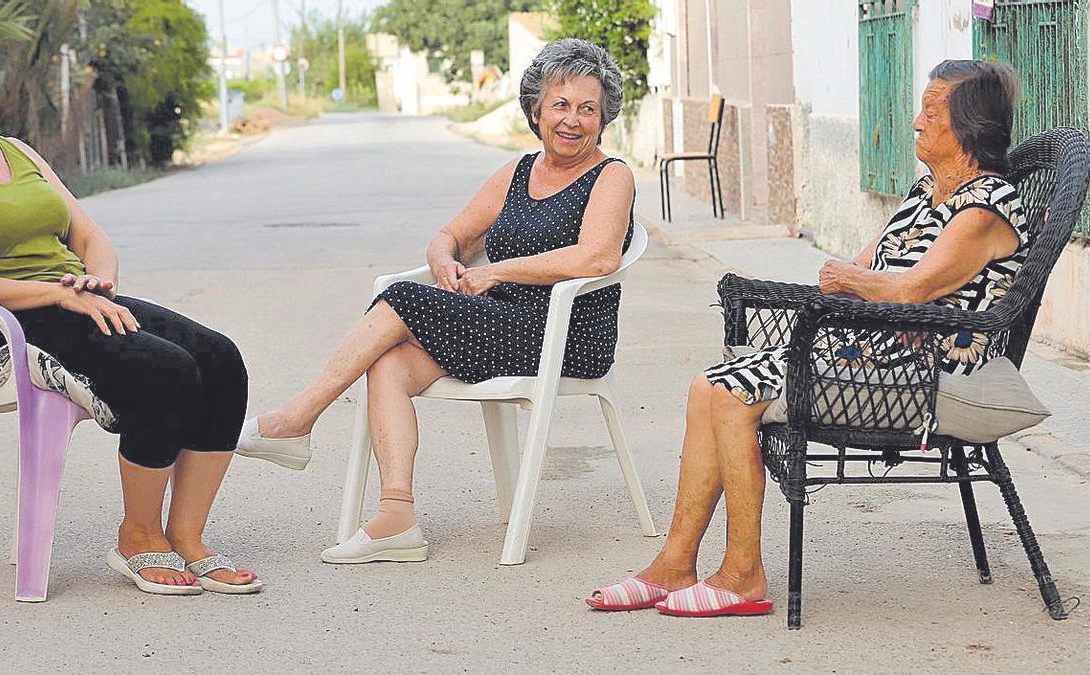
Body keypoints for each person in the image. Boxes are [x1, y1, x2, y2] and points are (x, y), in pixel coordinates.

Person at [587, 60, 1027, 617]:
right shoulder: (925, 195)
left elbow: (907, 290)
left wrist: (852, 281)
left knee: (728, 393)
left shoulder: (985, 209)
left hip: (921, 378)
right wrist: (853, 282)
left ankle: (743, 575)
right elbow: (865, 272)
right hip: (869, 357)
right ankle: (675, 561)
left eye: (932, 111)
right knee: (707, 388)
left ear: (970, 127)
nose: (916, 121)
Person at [0, 15, 260, 595]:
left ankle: (186, 535)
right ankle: (138, 535)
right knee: (162, 370)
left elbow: (88, 235)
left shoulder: (15, 151)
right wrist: (52, 293)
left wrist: (98, 280)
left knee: (220, 357)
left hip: (67, 300)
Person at [237, 38, 637, 564]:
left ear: (604, 118)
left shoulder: (612, 176)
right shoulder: (517, 172)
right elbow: (451, 234)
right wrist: (446, 258)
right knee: (391, 362)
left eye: (588, 109)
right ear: (536, 110)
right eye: (560, 105)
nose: (572, 120)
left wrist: (495, 271)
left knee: (402, 297)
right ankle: (395, 518)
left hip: (565, 336)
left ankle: (297, 418)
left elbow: (597, 258)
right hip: (502, 326)